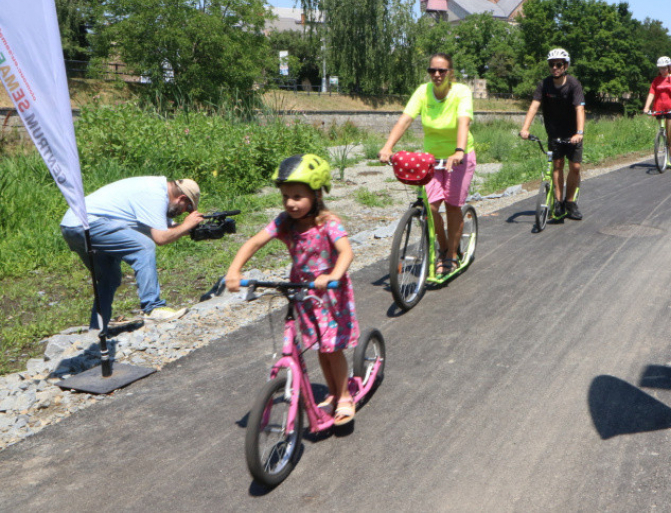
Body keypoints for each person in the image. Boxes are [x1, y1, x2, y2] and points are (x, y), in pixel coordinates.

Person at [225, 154, 360, 425]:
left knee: (332, 348)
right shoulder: (284, 222)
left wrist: (332, 275)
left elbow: (346, 252)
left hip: (330, 294)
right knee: (320, 347)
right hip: (302, 292)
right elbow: (254, 242)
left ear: (316, 195)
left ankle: (343, 395)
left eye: (298, 196)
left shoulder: (328, 223)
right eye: (286, 196)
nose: (290, 203)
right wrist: (234, 270)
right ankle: (332, 392)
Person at [60, 177, 204, 329]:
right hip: (89, 223)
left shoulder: (155, 191)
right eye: (188, 208)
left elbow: (170, 228)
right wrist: (187, 225)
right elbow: (160, 238)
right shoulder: (155, 194)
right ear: (181, 198)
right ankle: (153, 308)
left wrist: (196, 230)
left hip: (71, 226)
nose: (184, 213)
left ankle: (96, 331)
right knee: (144, 247)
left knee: (109, 277)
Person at [379, 53, 476, 276]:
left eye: (442, 71)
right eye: (432, 70)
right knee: (430, 207)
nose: (437, 75)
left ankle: (452, 254)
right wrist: (388, 147)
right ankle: (443, 248)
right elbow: (405, 119)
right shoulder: (423, 92)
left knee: (452, 206)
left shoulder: (461, 92)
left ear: (451, 73)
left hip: (459, 156)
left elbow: (464, 122)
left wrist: (459, 150)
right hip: (432, 159)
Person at [519, 48, 586, 220]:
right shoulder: (544, 84)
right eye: (551, 64)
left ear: (565, 65)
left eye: (558, 64)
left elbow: (579, 108)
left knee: (575, 167)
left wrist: (579, 132)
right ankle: (558, 202)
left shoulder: (573, 84)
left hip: (573, 133)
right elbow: (534, 106)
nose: (554, 67)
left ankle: (570, 202)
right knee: (557, 165)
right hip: (554, 132)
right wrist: (525, 128)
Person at [643, 56, 671, 168]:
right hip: (659, 108)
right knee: (665, 133)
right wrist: (646, 107)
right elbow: (651, 94)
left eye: (664, 68)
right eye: (660, 68)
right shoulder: (656, 80)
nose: (662, 70)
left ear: (668, 67)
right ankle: (667, 153)